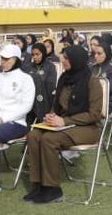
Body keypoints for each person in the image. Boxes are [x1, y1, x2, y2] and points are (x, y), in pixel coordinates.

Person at [24, 45, 104, 204]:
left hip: (87, 128)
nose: (63, 60)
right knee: (33, 135)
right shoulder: (65, 78)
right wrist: (52, 115)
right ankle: (38, 184)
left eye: (67, 58)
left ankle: (53, 188)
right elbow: (57, 104)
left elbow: (95, 114)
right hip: (64, 124)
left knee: (49, 139)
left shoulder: (92, 81)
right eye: (63, 57)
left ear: (77, 60)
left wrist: (65, 121)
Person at [0, 45, 35, 194]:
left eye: (6, 59)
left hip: (16, 123)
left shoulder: (26, 79)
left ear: (16, 60)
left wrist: (3, 118)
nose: (2, 62)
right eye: (1, 58)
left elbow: (26, 106)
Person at [27, 43, 56, 126]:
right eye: (33, 54)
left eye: (37, 54)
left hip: (45, 102)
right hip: (31, 103)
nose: (35, 57)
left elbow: (51, 86)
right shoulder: (28, 67)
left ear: (43, 53)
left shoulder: (50, 67)